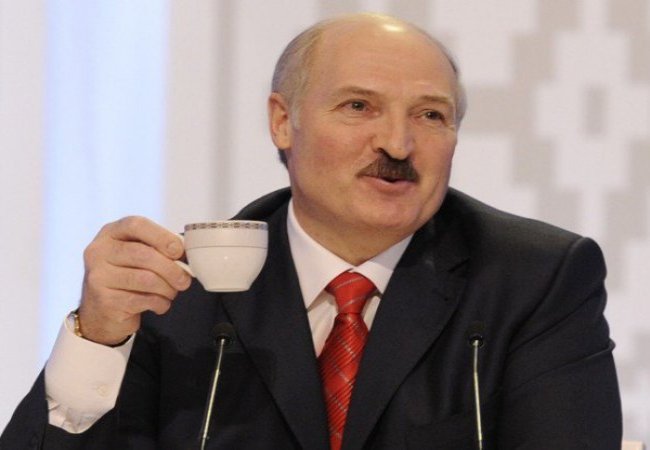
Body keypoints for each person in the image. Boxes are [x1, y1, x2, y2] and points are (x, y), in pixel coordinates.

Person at [1, 12, 622, 450]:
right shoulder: (179, 287)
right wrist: (98, 339)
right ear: (282, 121)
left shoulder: (534, 280)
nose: (398, 143)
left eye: (431, 115)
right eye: (359, 106)